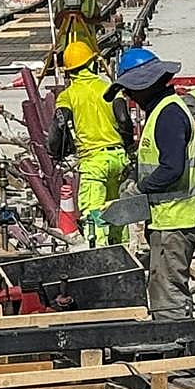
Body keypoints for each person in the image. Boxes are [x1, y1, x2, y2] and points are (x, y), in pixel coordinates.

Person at [106, 48, 195, 319]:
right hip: (170, 219)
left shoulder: (168, 115)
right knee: (166, 287)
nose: (128, 96)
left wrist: (139, 188)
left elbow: (171, 169)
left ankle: (177, 348)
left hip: (175, 221)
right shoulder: (164, 111)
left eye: (130, 89)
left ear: (146, 84)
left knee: (167, 294)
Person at [47, 41, 135, 245]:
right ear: (93, 63)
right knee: (118, 213)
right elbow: (124, 120)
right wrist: (129, 149)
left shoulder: (68, 96)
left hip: (93, 163)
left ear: (69, 72)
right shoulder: (109, 89)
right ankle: (124, 255)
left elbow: (59, 125)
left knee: (95, 217)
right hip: (118, 158)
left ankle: (102, 260)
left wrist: (56, 152)